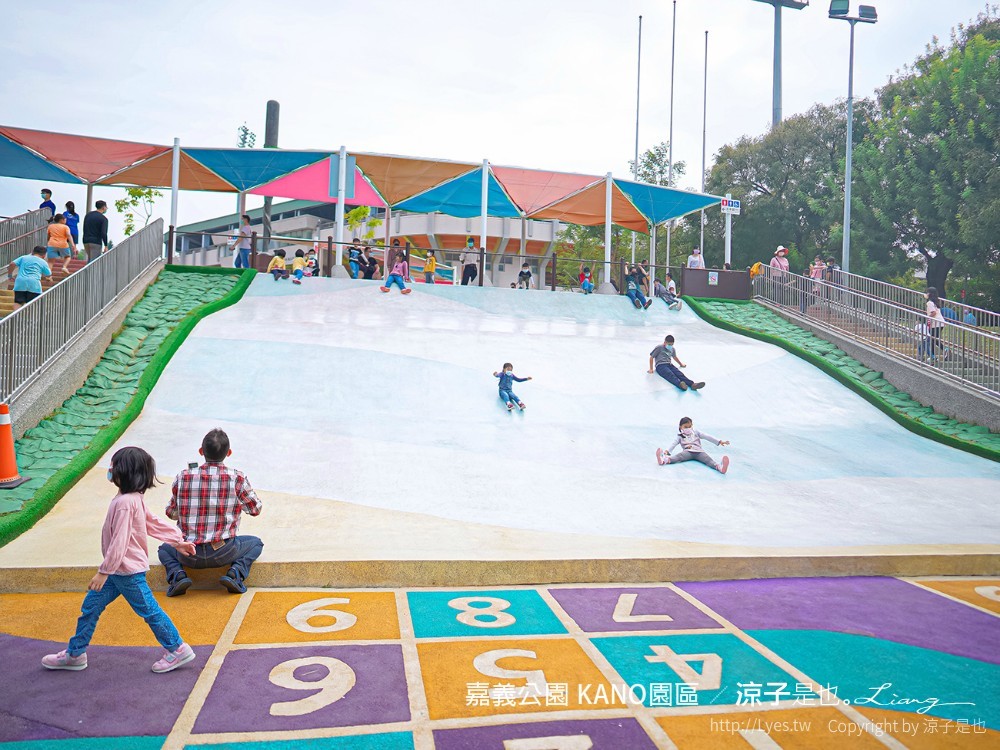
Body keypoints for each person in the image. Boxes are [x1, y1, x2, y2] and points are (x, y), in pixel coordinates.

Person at [42, 446, 198, 673]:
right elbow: (152, 522)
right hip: (118, 572)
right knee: (90, 607)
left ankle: (177, 648)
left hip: (126, 572)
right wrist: (177, 540)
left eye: (114, 465)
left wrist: (104, 571)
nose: (110, 469)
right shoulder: (131, 498)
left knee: (149, 611)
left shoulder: (126, 503)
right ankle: (75, 654)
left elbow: (120, 541)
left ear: (124, 472)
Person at [158, 429, 264, 596]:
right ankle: (235, 573)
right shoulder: (237, 478)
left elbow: (171, 513)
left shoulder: (183, 477)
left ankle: (178, 576)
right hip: (224, 551)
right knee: (256, 543)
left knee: (164, 549)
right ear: (228, 453)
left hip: (189, 553)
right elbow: (255, 509)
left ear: (201, 452)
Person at [656, 417, 730, 474]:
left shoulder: (696, 432)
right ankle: (664, 460)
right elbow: (674, 443)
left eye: (690, 426)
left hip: (699, 452)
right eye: (685, 427)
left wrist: (719, 441)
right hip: (688, 452)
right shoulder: (680, 436)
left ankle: (720, 467)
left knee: (708, 460)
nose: (688, 428)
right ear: (680, 427)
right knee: (679, 457)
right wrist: (667, 451)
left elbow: (707, 436)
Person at [8, 245, 51, 310]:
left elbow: (12, 264)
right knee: (32, 303)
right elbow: (48, 274)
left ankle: (16, 318)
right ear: (44, 255)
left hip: (20, 282)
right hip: (34, 283)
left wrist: (10, 275)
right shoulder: (43, 262)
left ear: (32, 252)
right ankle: (29, 318)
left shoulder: (24, 257)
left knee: (18, 302)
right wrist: (47, 277)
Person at [925, 287, 950, 360]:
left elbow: (933, 312)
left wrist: (927, 317)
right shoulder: (935, 302)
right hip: (940, 322)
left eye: (927, 292)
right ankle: (933, 356)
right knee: (933, 339)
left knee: (932, 339)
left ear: (929, 294)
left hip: (936, 323)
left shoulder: (929, 303)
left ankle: (944, 350)